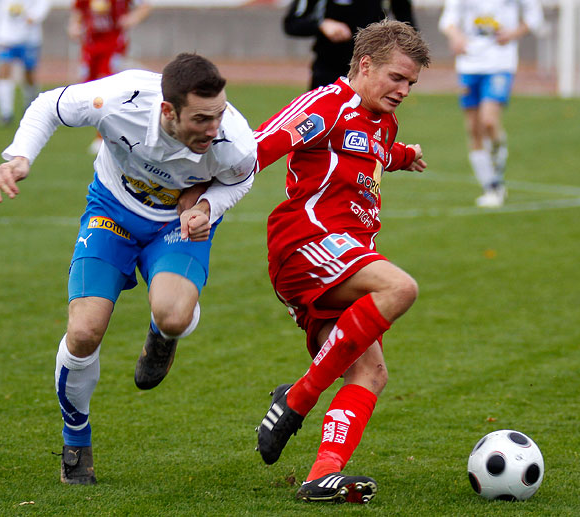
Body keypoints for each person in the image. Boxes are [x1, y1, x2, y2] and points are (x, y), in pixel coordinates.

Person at [0, 53, 257, 485]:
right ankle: (76, 438)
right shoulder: (118, 99)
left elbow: (243, 176)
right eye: (202, 119)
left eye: (220, 115)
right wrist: (21, 156)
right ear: (168, 111)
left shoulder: (235, 139)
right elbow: (47, 105)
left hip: (175, 225)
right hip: (111, 211)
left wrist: (208, 204)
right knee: (83, 332)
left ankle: (164, 333)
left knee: (174, 314)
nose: (214, 128)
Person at [253, 20, 430, 504]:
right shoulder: (325, 103)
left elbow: (369, 148)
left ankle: (321, 473)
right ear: (365, 65)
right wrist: (201, 200)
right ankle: (298, 399)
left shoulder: (381, 121)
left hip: (342, 257)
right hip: (307, 242)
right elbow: (257, 147)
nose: (404, 90)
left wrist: (403, 155)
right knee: (400, 288)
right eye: (396, 77)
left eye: (411, 83)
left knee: (371, 373)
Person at [439, 0, 544, 208]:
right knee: (474, 129)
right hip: (469, 64)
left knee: (489, 121)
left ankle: (497, 174)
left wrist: (513, 33)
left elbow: (534, 16)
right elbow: (448, 20)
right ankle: (492, 187)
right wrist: (456, 36)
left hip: (499, 63)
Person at [68, 0, 151, 152]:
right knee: (87, 88)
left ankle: (103, 136)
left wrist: (132, 18)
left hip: (113, 44)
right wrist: (74, 26)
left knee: (108, 88)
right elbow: (78, 11)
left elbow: (144, 6)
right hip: (91, 44)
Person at [283, 0, 417, 90]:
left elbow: (408, 25)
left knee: (367, 129)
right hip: (328, 70)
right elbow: (292, 23)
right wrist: (321, 24)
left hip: (371, 70)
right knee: (322, 125)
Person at [0, 0, 51, 126]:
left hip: (30, 36)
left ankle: (30, 106)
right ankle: (5, 112)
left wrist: (34, 16)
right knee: (4, 70)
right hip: (5, 36)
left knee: (29, 74)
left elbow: (43, 3)